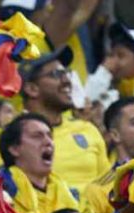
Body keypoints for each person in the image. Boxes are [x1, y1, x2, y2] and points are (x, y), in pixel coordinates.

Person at [20, 49, 110, 196]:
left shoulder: (87, 129)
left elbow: (107, 184)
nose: (67, 80)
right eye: (56, 74)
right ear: (32, 89)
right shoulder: (12, 137)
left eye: (66, 73)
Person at [0, 113, 80, 213]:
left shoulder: (70, 194)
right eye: (37, 136)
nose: (48, 142)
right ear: (14, 149)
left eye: (50, 136)